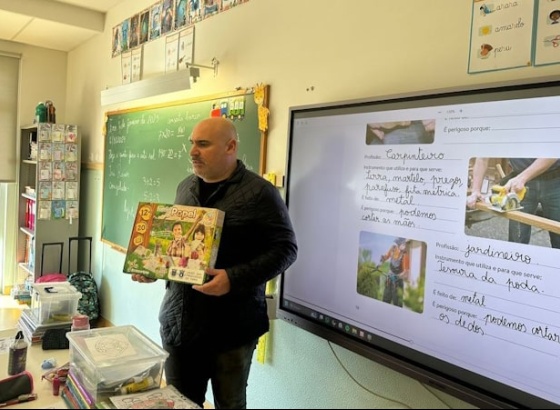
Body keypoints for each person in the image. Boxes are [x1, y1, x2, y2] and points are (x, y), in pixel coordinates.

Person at [132, 117, 298, 409]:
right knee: (181, 403)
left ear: (230, 146)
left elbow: (287, 250)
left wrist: (233, 278)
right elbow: (177, 246)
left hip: (232, 330)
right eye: (192, 143)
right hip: (179, 324)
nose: (193, 151)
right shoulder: (186, 187)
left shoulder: (260, 193)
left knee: (230, 404)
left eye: (203, 144)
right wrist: (154, 268)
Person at [467, 158, 560, 248]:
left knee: (558, 234)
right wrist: (475, 190)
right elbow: (482, 159)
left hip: (555, 179)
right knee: (517, 239)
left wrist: (521, 178)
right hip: (519, 186)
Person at [379, 237, 410, 307]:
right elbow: (386, 257)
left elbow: (406, 272)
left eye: (405, 244)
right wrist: (381, 260)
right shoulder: (393, 249)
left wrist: (398, 276)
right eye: (403, 244)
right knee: (385, 300)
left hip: (398, 283)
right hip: (389, 280)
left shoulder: (405, 256)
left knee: (397, 303)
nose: (404, 246)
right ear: (399, 244)